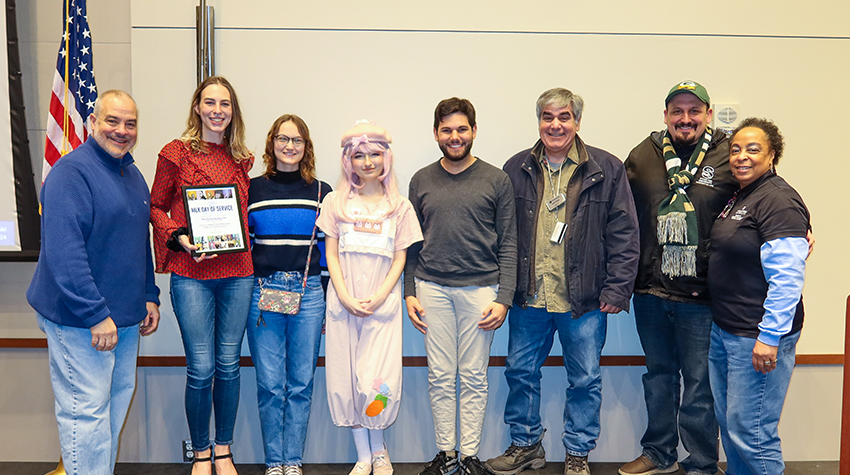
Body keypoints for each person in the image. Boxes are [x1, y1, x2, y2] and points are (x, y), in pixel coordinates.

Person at [486, 88, 639, 475]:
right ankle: (524, 446)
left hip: (583, 300)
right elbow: (502, 234)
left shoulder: (606, 168)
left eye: (564, 117)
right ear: (538, 121)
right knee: (520, 372)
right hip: (529, 297)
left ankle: (577, 453)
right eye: (548, 117)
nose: (556, 125)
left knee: (584, 380)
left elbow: (625, 232)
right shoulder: (516, 167)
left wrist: (618, 288)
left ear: (577, 122)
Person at [27, 90, 161, 475]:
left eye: (130, 123)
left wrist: (149, 295)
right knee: (85, 414)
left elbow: (138, 242)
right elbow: (65, 255)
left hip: (125, 317)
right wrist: (94, 314)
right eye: (112, 121)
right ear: (92, 123)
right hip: (81, 321)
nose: (122, 131)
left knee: (114, 406)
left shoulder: (132, 175)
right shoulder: (71, 173)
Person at [619, 80, 736, 475]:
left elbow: (763, 195)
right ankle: (658, 452)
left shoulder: (727, 155)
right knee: (659, 378)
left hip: (702, 297)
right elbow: (619, 218)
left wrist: (797, 225)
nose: (685, 119)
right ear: (665, 115)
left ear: (707, 113)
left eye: (694, 111)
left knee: (700, 385)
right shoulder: (642, 155)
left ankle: (702, 462)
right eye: (677, 111)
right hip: (651, 292)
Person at [405, 97, 518, 475]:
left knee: (472, 376)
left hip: (481, 290)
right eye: (447, 130)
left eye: (462, 129)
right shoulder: (420, 179)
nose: (455, 137)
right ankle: (446, 454)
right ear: (436, 133)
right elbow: (411, 242)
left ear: (473, 131)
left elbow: (509, 243)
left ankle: (469, 456)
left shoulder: (496, 179)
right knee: (439, 375)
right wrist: (408, 291)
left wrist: (504, 298)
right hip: (431, 288)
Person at [150, 76, 254, 475]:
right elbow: (156, 207)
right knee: (201, 367)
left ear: (233, 110)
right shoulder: (175, 153)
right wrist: (178, 236)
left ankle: (224, 450)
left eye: (225, 104)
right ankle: (200, 452)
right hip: (191, 274)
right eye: (209, 102)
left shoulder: (242, 158)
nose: (217, 110)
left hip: (238, 273)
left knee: (229, 364)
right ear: (197, 106)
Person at [318, 121, 423, 475]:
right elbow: (330, 254)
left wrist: (379, 296)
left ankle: (380, 451)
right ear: (348, 160)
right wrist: (345, 295)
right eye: (359, 155)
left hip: (383, 305)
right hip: (343, 303)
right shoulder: (334, 202)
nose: (367, 162)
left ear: (386, 158)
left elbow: (401, 258)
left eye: (374, 154)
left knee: (377, 381)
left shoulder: (400, 207)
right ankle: (363, 456)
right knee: (346, 382)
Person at [708, 118, 809, 475]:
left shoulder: (778, 199)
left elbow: (787, 279)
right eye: (736, 149)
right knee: (732, 427)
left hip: (757, 337)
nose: (741, 157)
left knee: (752, 433)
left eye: (753, 149)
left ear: (772, 155)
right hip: (727, 330)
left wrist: (769, 337)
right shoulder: (742, 194)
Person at [246, 114, 333, 475]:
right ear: (272, 143)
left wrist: (327, 301)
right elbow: (243, 244)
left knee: (300, 383)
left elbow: (328, 253)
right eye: (283, 139)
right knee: (269, 385)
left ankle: (292, 462)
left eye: (297, 140)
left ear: (306, 146)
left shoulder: (321, 192)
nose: (289, 146)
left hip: (308, 292)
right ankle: (273, 462)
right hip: (263, 292)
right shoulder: (252, 189)